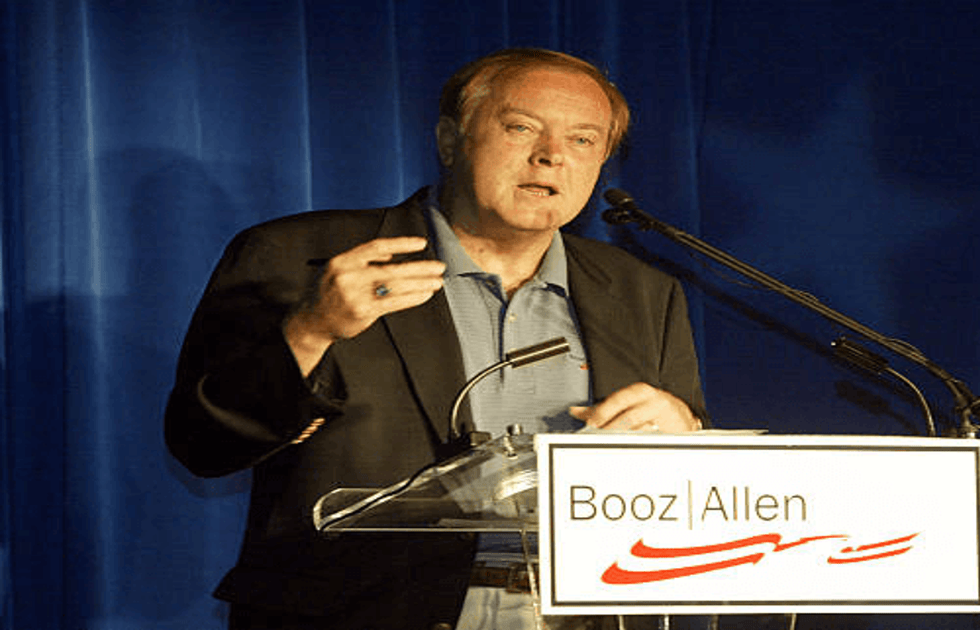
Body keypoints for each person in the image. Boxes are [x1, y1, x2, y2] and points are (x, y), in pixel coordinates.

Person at [165, 48, 707, 630]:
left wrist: (687, 437)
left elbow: (689, 484)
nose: (551, 155)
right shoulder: (303, 257)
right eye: (521, 128)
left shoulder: (644, 291)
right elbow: (204, 445)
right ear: (450, 141)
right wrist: (310, 330)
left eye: (583, 140)